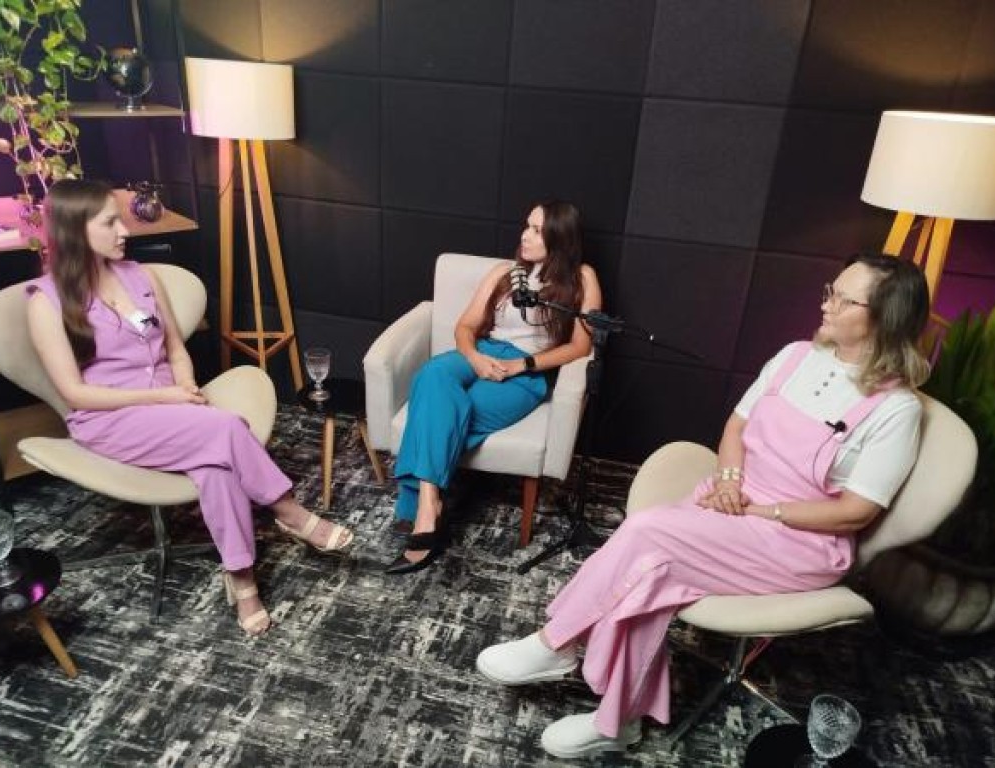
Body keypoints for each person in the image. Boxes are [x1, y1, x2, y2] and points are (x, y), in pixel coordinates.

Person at [475, 254, 931, 759]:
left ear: (885, 318)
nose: (826, 304)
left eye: (844, 300)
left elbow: (855, 512)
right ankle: (617, 722)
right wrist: (730, 480)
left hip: (800, 539)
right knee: (650, 571)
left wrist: (763, 512)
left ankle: (558, 642)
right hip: (733, 502)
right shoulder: (795, 356)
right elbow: (736, 426)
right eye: (830, 291)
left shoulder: (897, 411)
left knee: (647, 535)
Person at [26, 179, 354, 637]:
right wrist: (164, 397)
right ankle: (290, 512)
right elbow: (75, 394)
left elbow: (177, 350)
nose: (125, 230)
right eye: (111, 222)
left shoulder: (141, 276)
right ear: (75, 230)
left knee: (216, 467)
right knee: (227, 429)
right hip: (109, 419)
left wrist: (184, 384)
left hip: (172, 408)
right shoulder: (46, 302)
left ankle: (241, 577)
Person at [386, 200, 602, 575]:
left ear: (559, 238)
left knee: (453, 408)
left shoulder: (582, 277)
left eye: (537, 230)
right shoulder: (503, 272)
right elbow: (465, 326)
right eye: (527, 226)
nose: (525, 235)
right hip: (482, 351)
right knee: (431, 376)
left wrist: (523, 365)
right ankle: (429, 504)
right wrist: (474, 358)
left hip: (526, 371)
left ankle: (421, 507)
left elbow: (581, 346)